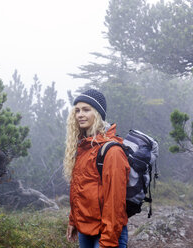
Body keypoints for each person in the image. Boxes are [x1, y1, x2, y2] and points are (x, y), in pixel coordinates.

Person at [63, 89, 130, 248]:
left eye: (86, 110)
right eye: (77, 110)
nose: (80, 114)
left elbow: (115, 203)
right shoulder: (83, 147)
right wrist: (74, 220)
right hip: (85, 230)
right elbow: (79, 189)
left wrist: (107, 241)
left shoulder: (112, 151)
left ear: (98, 114)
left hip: (107, 234)